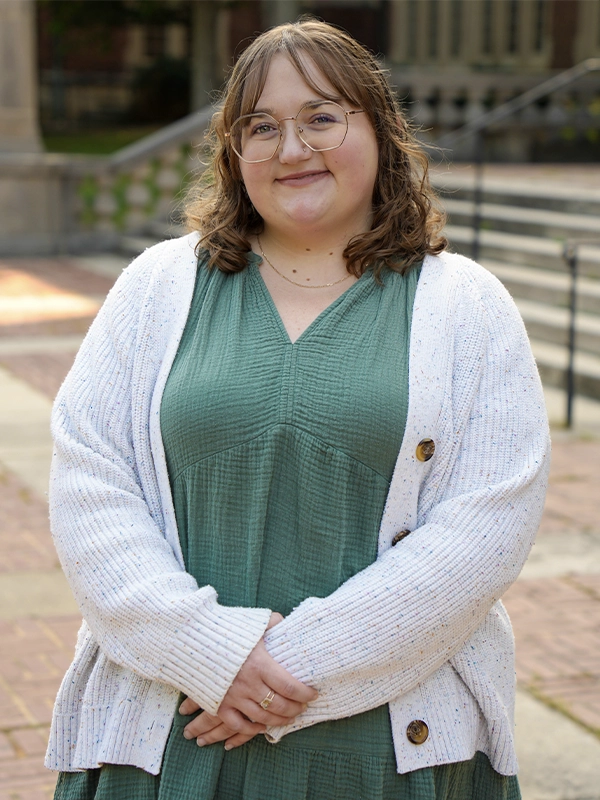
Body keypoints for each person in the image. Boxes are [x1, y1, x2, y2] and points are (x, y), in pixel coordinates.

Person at [47, 18, 550, 800]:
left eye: (322, 117)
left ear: (379, 132)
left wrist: (291, 670)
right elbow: (92, 489)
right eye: (262, 126)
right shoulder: (155, 289)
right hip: (172, 737)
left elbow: (485, 526)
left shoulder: (468, 306)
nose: (292, 148)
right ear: (233, 150)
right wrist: (211, 654)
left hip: (386, 751)